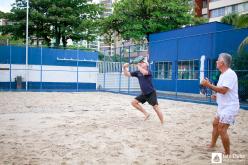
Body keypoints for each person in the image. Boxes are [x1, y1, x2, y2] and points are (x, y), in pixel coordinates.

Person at [201, 53, 240, 155]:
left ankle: (227, 153)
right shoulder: (223, 74)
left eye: (218, 60)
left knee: (222, 129)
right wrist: (216, 95)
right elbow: (222, 91)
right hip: (222, 106)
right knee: (215, 124)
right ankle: (212, 145)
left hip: (230, 106)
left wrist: (208, 85)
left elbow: (223, 90)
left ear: (222, 63)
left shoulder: (230, 74)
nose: (216, 62)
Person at [123, 57, 164, 124]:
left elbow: (144, 73)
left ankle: (162, 122)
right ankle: (146, 114)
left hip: (151, 93)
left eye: (142, 62)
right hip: (144, 93)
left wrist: (138, 65)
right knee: (133, 103)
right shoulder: (138, 72)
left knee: (156, 108)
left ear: (146, 64)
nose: (141, 63)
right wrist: (124, 68)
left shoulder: (149, 71)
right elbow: (127, 74)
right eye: (140, 62)